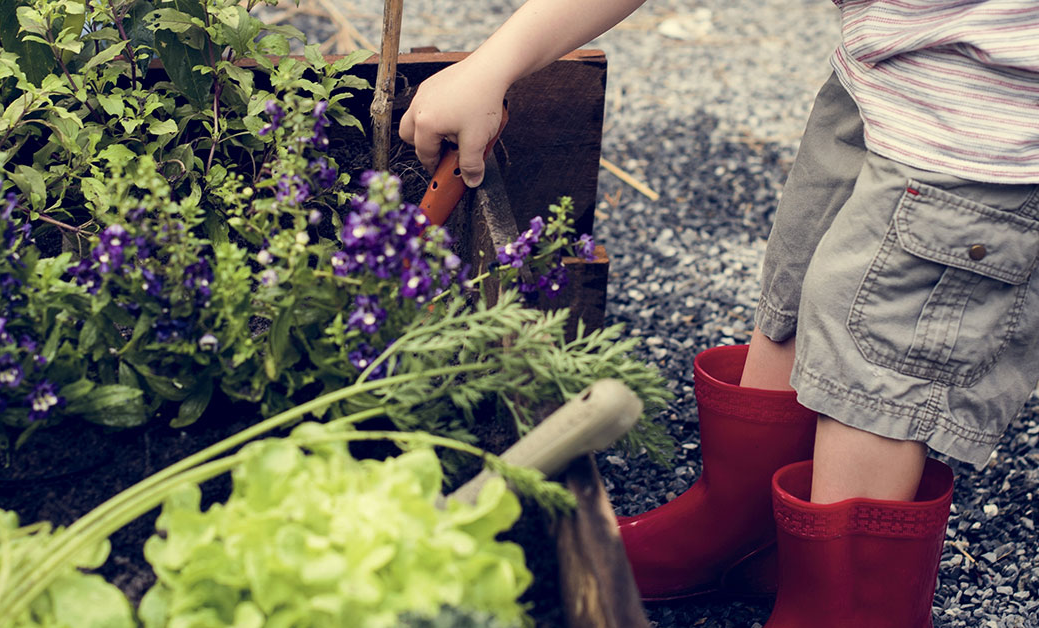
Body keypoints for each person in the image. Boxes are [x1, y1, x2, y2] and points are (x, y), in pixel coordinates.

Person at [399, 1, 1039, 626]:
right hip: (885, 70)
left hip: (986, 122)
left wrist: (498, 60)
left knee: (877, 355)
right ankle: (745, 530)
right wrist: (495, 64)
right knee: (800, 278)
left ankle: (840, 607)